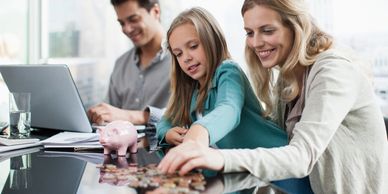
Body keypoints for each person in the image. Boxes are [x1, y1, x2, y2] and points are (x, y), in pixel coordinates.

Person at [158, 0, 388, 193]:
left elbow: (302, 157)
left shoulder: (333, 72)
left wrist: (219, 157)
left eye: (267, 30)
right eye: (250, 33)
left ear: (296, 26)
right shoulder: (286, 81)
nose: (256, 42)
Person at [156, 7, 287, 150]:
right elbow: (166, 119)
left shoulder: (229, 71)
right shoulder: (191, 89)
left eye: (193, 46)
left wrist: (200, 130)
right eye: (178, 54)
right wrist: (167, 133)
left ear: (212, 41)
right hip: (240, 169)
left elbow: (229, 109)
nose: (186, 58)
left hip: (276, 162)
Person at [88, 0, 171, 126]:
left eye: (133, 19)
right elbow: (110, 115)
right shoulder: (121, 64)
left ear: (155, 12)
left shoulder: (182, 60)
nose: (127, 29)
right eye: (122, 23)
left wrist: (135, 116)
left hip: (167, 145)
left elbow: (191, 117)